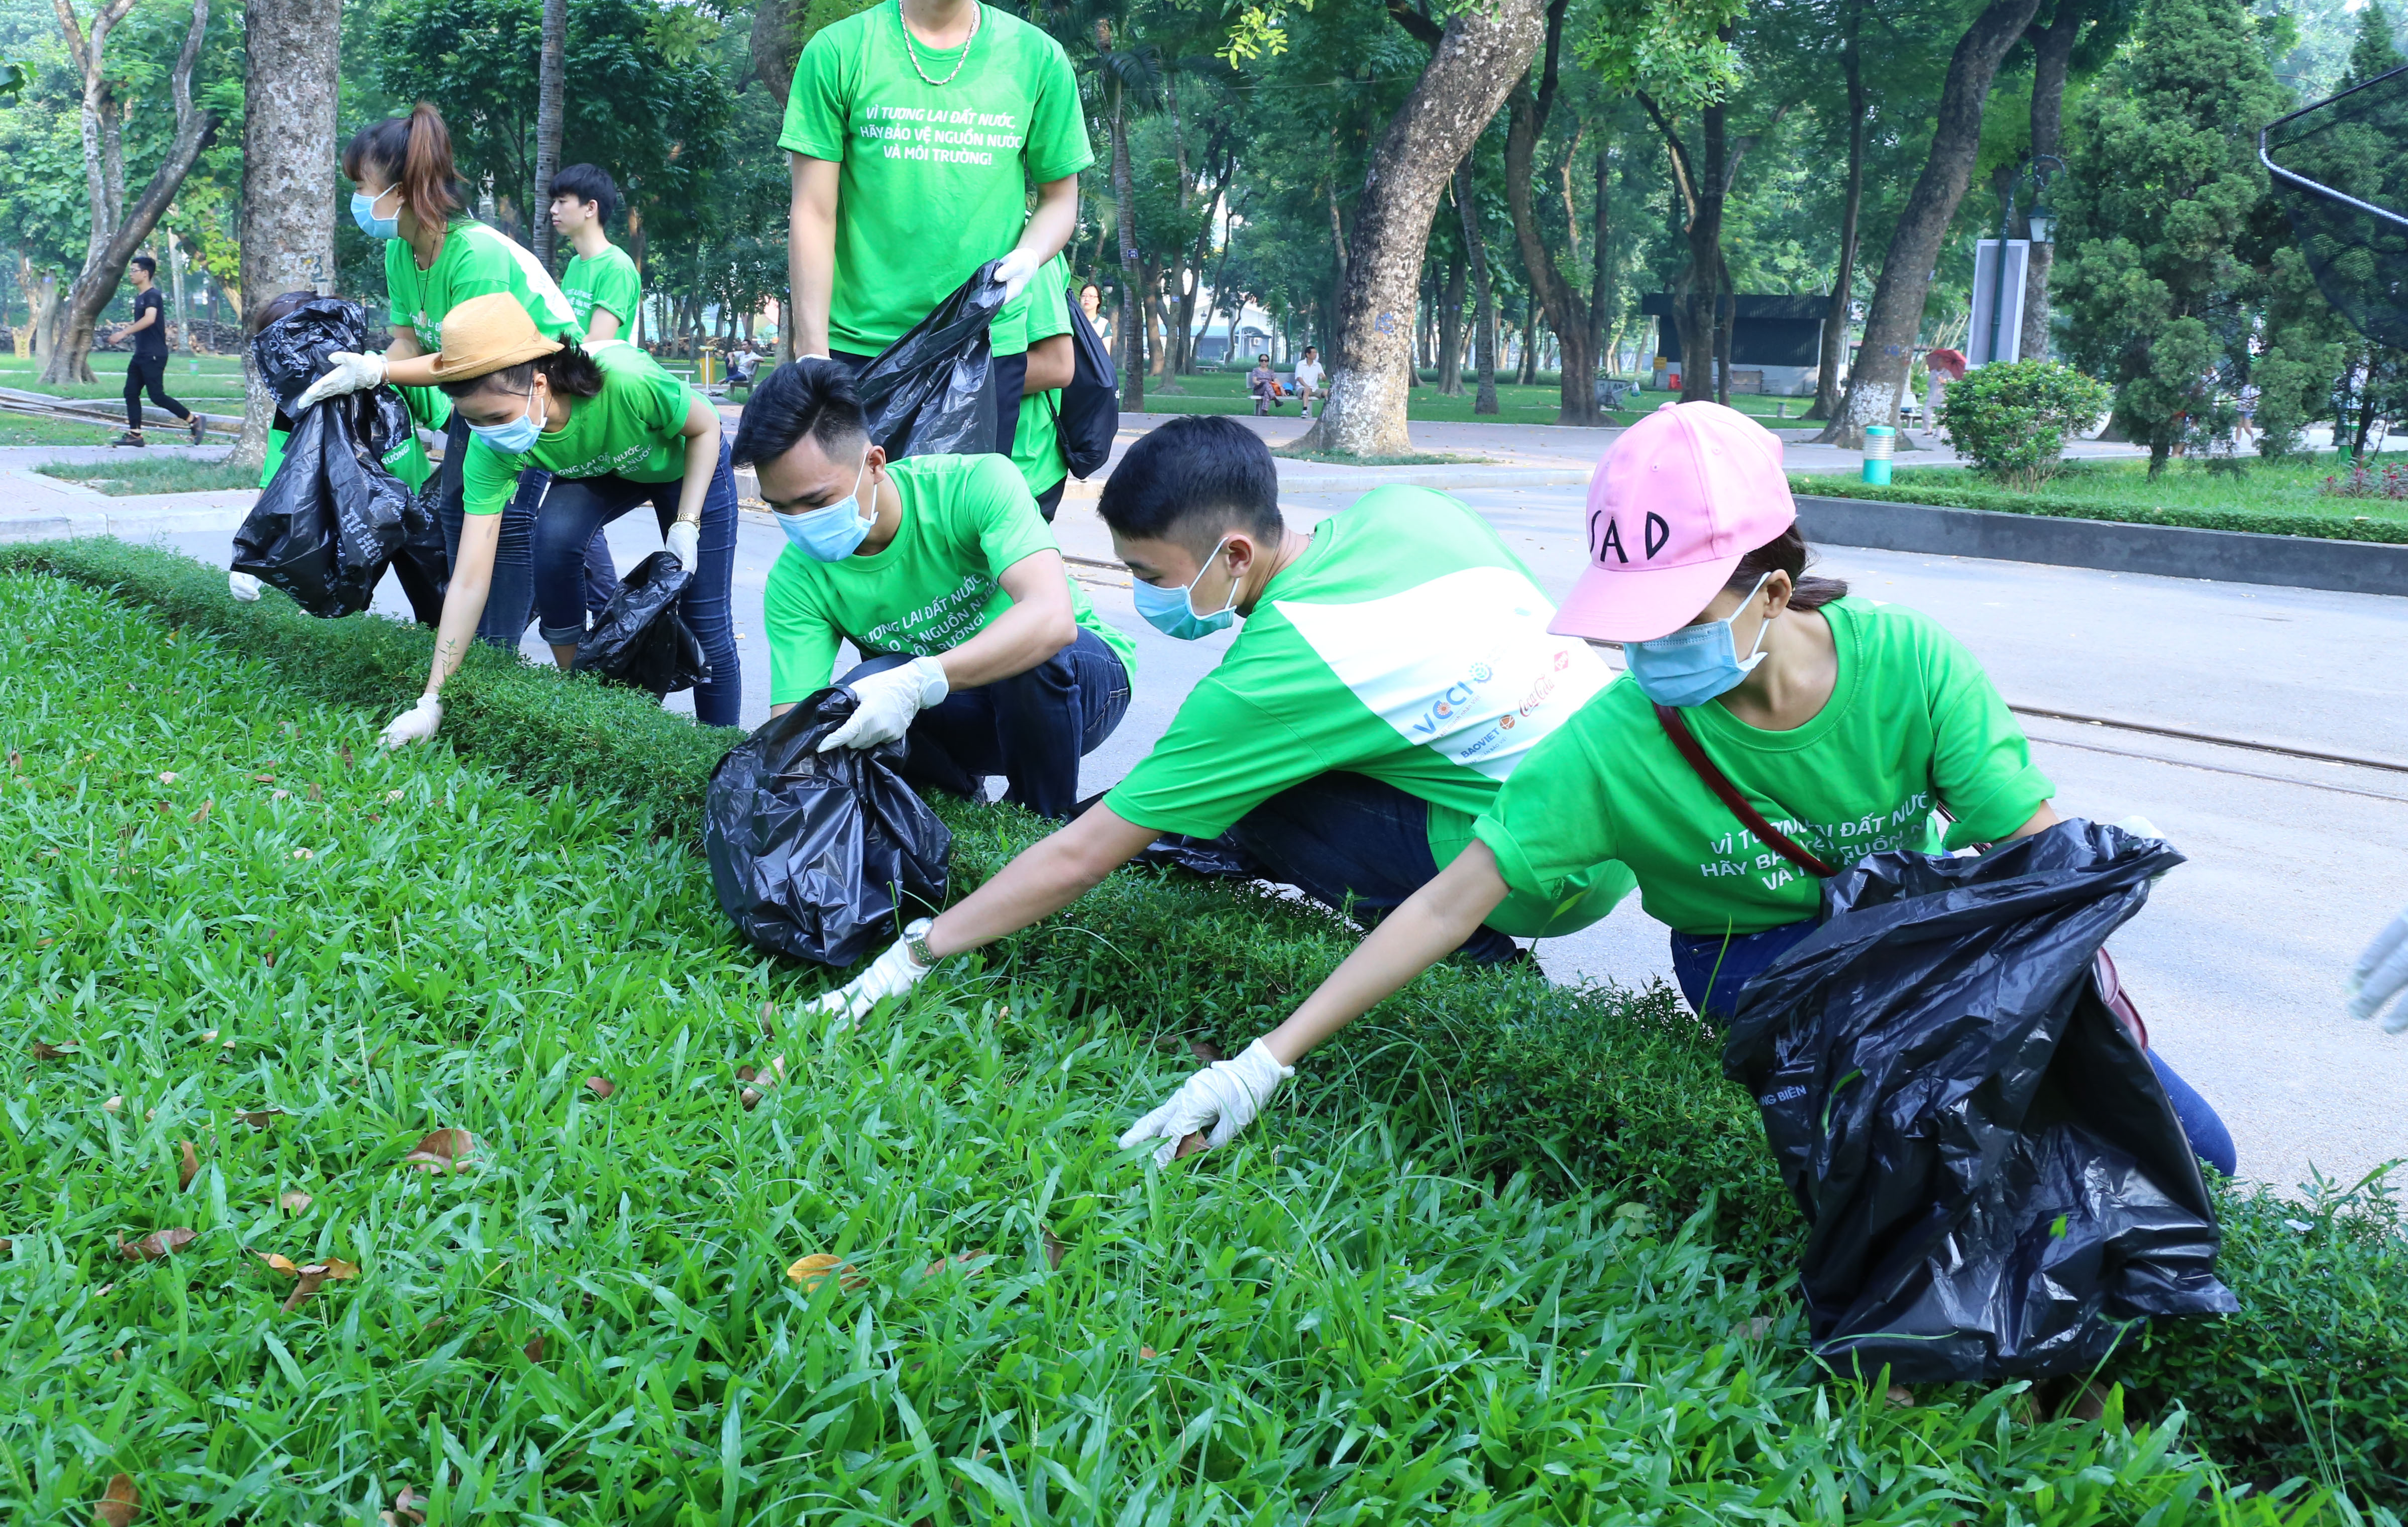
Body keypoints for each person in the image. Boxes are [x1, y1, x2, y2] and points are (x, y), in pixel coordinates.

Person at [1110, 403, 2237, 1179]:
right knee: (1914, 1108)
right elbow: (1447, 907)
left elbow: (2034, 867)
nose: (1649, 659)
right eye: (1630, 624)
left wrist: (2079, 1020)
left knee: (2201, 1152)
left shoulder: (1909, 664)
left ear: (1773, 589)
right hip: (1747, 954)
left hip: (1907, 934)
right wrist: (1264, 1061)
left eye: (1675, 622)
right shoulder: (1617, 741)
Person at [797, 414, 1634, 1025]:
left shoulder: (1282, 665)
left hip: (1542, 874)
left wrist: (915, 953)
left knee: (1256, 800)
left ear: (1232, 551)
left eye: (1147, 571)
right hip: (1608, 806)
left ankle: (1474, 947)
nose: (1141, 591)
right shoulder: (1406, 508)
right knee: (1271, 773)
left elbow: (1085, 853)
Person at [735, 358, 1132, 818]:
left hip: (1079, 693)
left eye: (818, 500)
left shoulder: (973, 485)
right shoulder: (796, 579)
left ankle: (1040, 820)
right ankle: (959, 795)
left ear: (875, 463)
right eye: (781, 507)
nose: (801, 523)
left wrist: (917, 681)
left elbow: (1052, 620)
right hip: (966, 713)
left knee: (1030, 653)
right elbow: (795, 723)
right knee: (854, 697)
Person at [783, 0, 1089, 371]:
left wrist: (1029, 256)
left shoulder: (1038, 59)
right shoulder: (838, 53)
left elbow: (1060, 198)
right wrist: (812, 354)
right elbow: (813, 211)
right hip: (861, 349)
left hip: (986, 346)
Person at [305, 103, 614, 642]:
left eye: (362, 185)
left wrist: (377, 372)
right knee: (453, 513)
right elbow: (407, 340)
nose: (356, 199)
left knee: (509, 524)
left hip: (535, 391)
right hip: (481, 391)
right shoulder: (402, 253)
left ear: (401, 189)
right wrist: (363, 366)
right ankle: (479, 636)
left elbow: (474, 360)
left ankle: (498, 653)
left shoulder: (475, 253)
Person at [377, 292, 742, 746]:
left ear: (540, 383)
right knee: (553, 538)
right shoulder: (490, 445)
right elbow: (469, 579)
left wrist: (686, 522)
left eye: (497, 416)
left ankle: (720, 750)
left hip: (686, 462)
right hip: (609, 469)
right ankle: (584, 700)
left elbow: (707, 428)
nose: (490, 432)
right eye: (475, 422)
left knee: (706, 618)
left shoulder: (626, 382)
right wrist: (432, 698)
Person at [233, 289, 451, 625]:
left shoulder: (387, 371)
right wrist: (250, 557)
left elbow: (453, 421)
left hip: (415, 511)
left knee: (440, 608)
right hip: (353, 525)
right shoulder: (295, 407)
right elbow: (276, 485)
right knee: (333, 612)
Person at [997, 251, 1075, 520]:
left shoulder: (1033, 246)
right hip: (955, 466)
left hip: (1023, 471)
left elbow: (1058, 366)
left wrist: (944, 378)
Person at [106, 255, 202, 447]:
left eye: (134, 271)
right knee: (131, 392)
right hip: (141, 353)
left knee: (157, 396)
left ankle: (195, 421)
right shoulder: (140, 297)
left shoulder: (153, 295)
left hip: (154, 354)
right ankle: (135, 435)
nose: (131, 275)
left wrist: (123, 333)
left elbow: (150, 319)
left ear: (145, 273)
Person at [549, 164, 642, 344]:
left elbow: (596, 343)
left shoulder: (617, 267)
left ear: (591, 208)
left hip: (596, 372)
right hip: (567, 371)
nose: (553, 209)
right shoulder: (575, 263)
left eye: (562, 202)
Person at [1293, 344, 1323, 418]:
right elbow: (1299, 378)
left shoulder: (1318, 365)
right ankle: (1305, 411)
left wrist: (1323, 377)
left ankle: (1327, 411)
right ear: (1308, 354)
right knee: (1307, 389)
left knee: (1327, 392)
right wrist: (1306, 386)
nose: (1315, 354)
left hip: (1315, 388)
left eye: (1316, 353)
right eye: (1313, 353)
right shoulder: (1300, 364)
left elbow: (1324, 379)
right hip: (1302, 388)